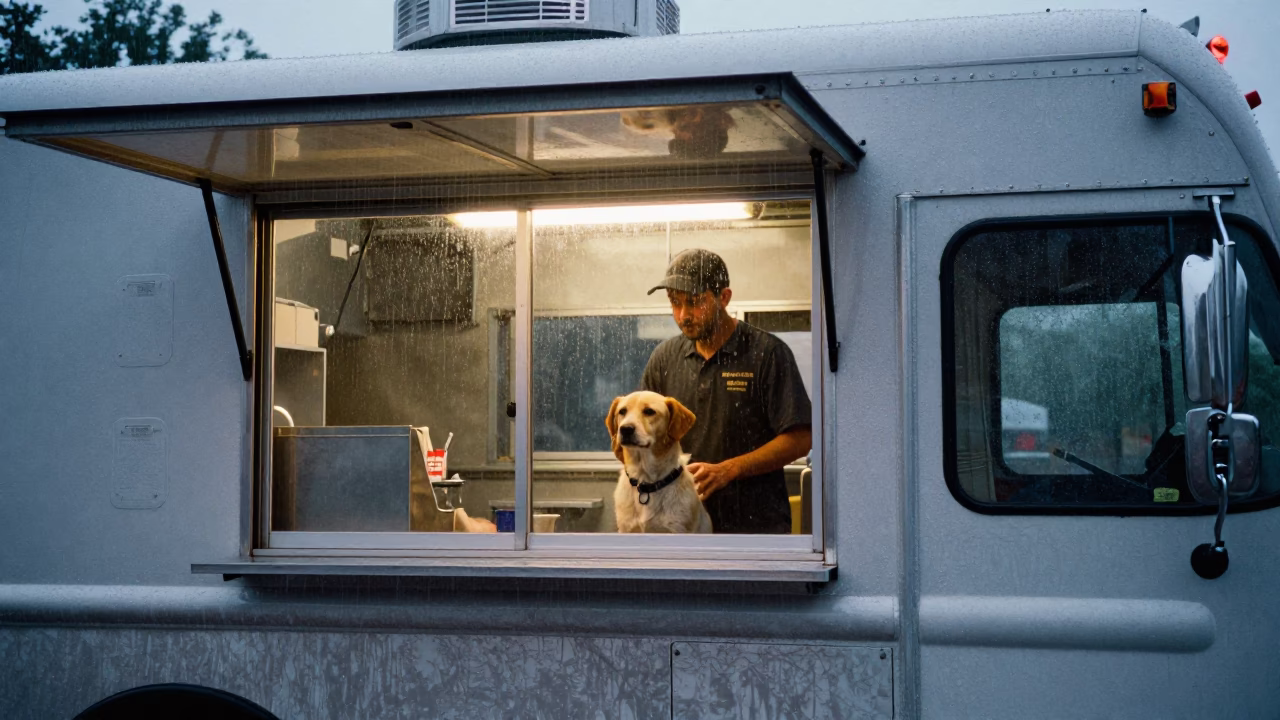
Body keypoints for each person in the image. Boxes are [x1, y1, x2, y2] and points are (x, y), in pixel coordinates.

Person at [640, 248, 812, 534]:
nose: (683, 315)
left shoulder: (767, 354)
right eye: (675, 302)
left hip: (755, 527)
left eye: (695, 302)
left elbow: (801, 438)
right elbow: (643, 435)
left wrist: (729, 469)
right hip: (682, 526)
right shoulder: (664, 359)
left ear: (724, 297)